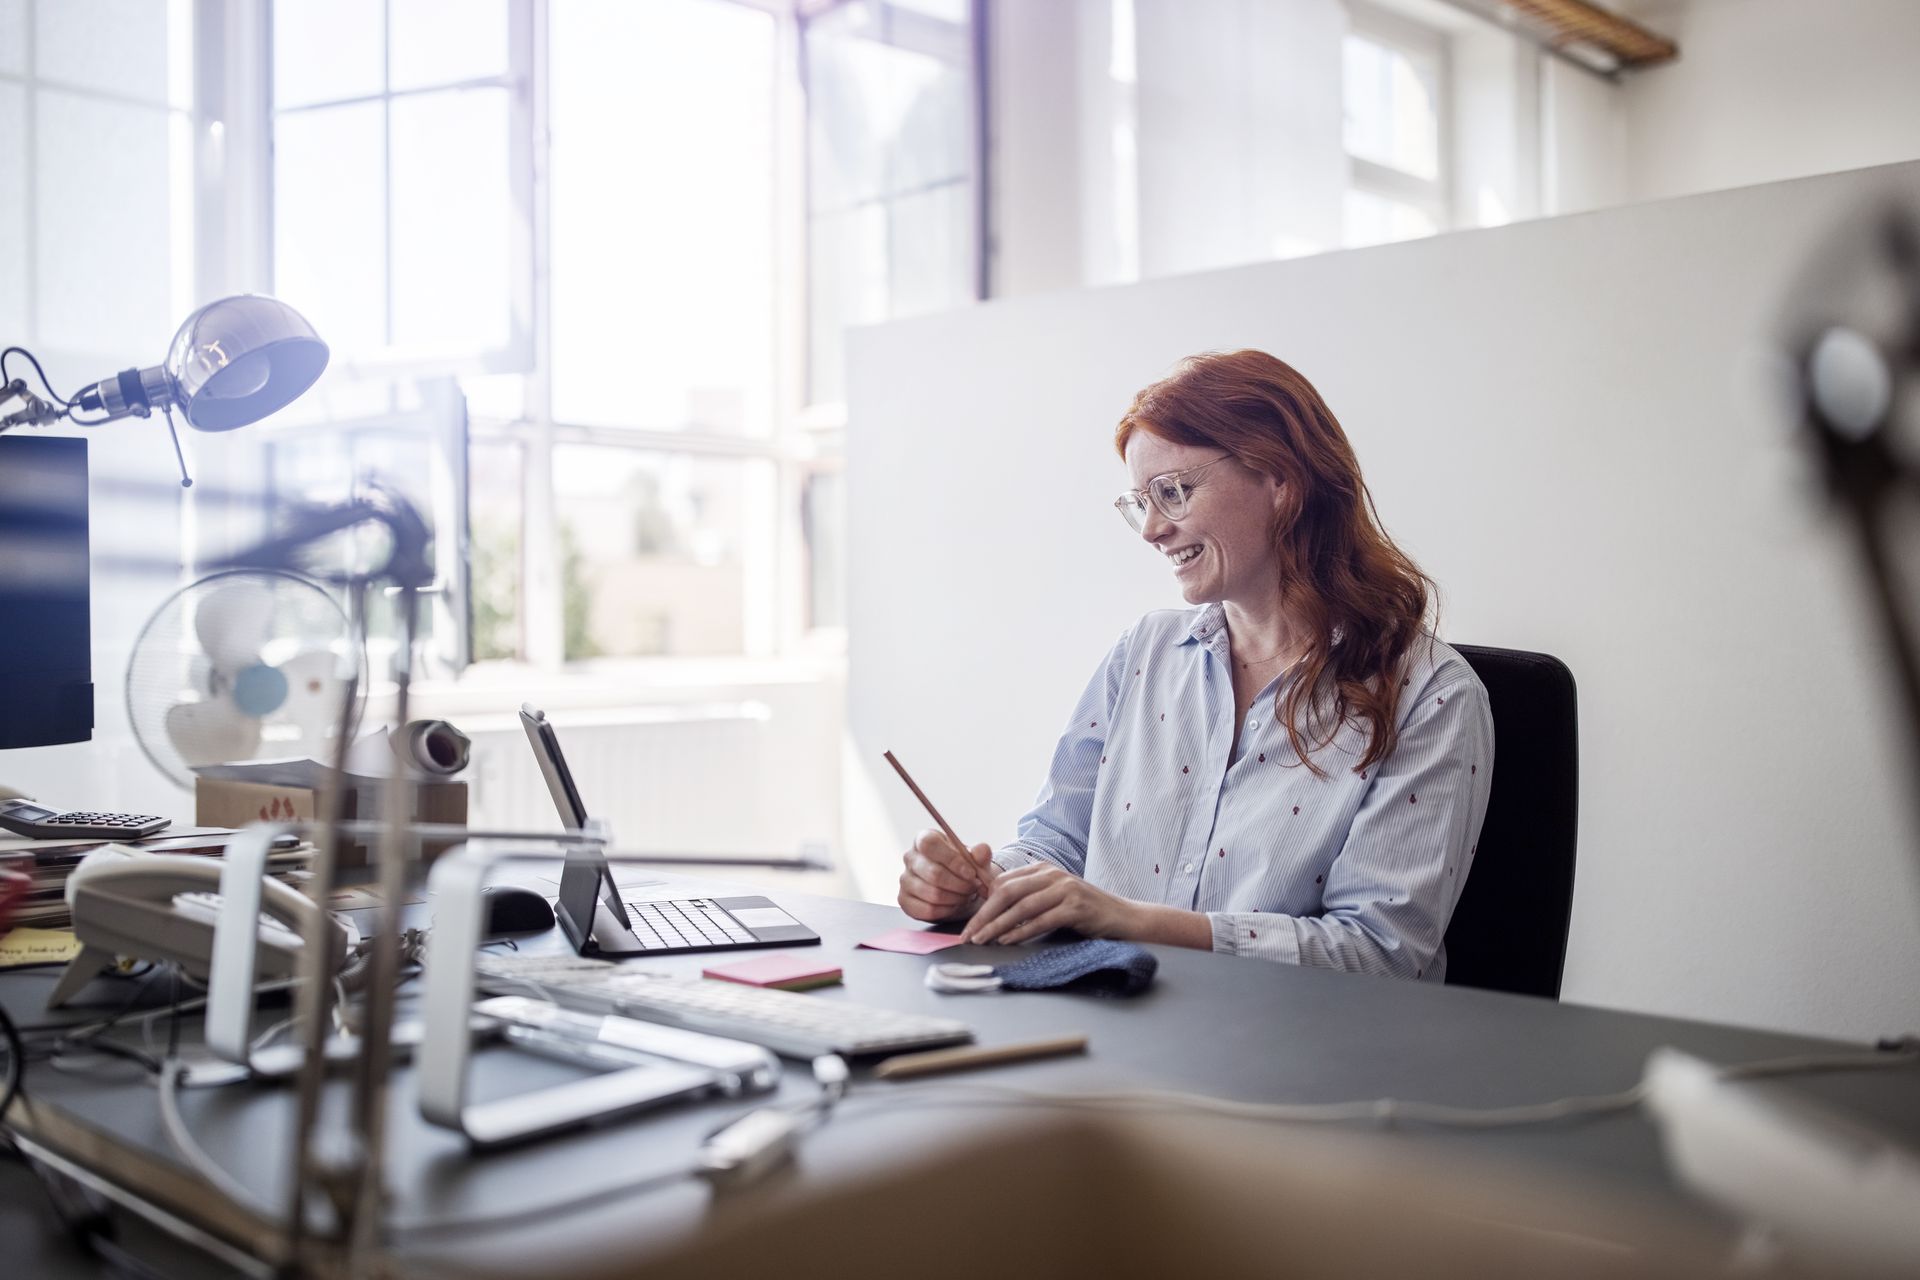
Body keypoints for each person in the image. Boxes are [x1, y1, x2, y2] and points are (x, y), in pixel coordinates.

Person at [897, 350, 1493, 980]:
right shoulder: (1143, 653)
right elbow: (1057, 845)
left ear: (1281, 480)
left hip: (1292, 1061)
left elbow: (1377, 954)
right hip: (1110, 1022)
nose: (1152, 529)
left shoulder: (1430, 696)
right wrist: (979, 884)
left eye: (1172, 492)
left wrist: (1131, 921)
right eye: (1140, 502)